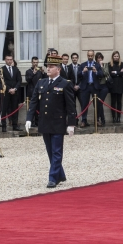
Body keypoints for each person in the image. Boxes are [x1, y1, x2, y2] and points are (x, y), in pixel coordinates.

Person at [25, 55, 77, 188]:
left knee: (56, 151)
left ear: (58, 69)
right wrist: (29, 119)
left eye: (51, 66)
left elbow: (71, 106)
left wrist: (71, 124)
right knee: (50, 151)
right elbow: (34, 102)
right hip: (45, 122)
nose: (48, 68)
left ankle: (52, 178)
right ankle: (60, 174)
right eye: (47, 66)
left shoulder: (65, 84)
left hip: (58, 123)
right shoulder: (41, 83)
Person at [77, 50, 104, 128]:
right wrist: (83, 71)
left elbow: (101, 75)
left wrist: (96, 72)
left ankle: (97, 120)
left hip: (94, 86)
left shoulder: (97, 65)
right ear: (87, 55)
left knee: (97, 104)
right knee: (84, 104)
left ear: (93, 55)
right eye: (89, 55)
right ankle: (83, 120)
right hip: (85, 87)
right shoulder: (83, 65)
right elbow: (78, 75)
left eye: (91, 56)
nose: (90, 57)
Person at [1, 55, 22, 132]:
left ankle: (15, 125)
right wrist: (9, 89)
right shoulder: (2, 70)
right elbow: (2, 81)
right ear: (5, 60)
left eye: (11, 59)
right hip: (6, 92)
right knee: (4, 109)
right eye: (8, 59)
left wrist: (15, 89)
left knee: (15, 109)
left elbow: (19, 80)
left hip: (15, 92)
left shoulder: (15, 69)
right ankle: (4, 126)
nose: (9, 61)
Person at [25, 56, 46, 127]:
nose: (35, 64)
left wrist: (43, 73)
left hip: (40, 92)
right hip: (31, 92)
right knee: (32, 108)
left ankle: (38, 122)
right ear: (31, 63)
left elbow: (45, 79)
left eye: (36, 62)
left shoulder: (40, 71)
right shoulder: (28, 71)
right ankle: (32, 122)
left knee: (39, 108)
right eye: (34, 62)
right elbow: (28, 80)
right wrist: (33, 73)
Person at [108, 51, 123, 123]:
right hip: (113, 84)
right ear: (113, 57)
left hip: (120, 84)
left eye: (117, 56)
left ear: (119, 57)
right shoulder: (110, 64)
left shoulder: (121, 64)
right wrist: (118, 72)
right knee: (113, 102)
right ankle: (113, 117)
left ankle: (118, 117)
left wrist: (115, 72)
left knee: (119, 102)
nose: (116, 57)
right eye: (115, 56)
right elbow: (110, 73)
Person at [95, 52, 109, 126]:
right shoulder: (94, 65)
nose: (99, 59)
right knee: (97, 104)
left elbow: (106, 73)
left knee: (100, 103)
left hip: (104, 86)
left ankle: (102, 120)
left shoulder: (106, 65)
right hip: (97, 86)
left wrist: (101, 66)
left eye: (100, 58)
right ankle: (98, 120)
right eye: (98, 58)